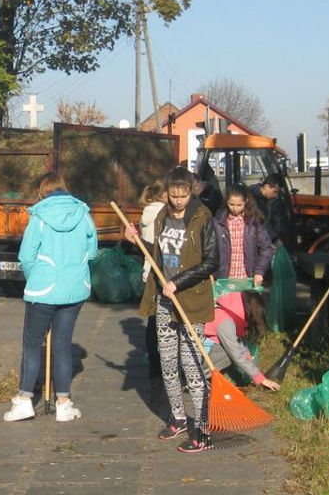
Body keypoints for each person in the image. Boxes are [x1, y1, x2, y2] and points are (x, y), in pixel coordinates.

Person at [126, 166, 219, 453]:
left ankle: (202, 430)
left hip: (191, 301)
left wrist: (178, 282)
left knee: (192, 365)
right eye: (174, 196)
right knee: (167, 364)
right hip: (164, 301)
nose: (178, 201)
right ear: (167, 193)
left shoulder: (203, 218)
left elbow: (211, 262)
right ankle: (178, 417)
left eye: (183, 196)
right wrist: (137, 241)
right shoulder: (162, 216)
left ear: (191, 192)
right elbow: (157, 254)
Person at [3, 172, 97, 424]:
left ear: (41, 192)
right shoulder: (84, 215)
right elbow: (92, 252)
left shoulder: (39, 217)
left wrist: (34, 278)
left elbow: (26, 256)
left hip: (42, 291)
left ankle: (24, 400)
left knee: (32, 343)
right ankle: (64, 403)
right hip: (75, 289)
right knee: (62, 345)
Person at [205, 290, 280, 391]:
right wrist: (260, 379)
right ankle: (202, 376)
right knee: (229, 354)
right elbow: (236, 353)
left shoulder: (229, 313)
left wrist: (251, 365)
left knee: (235, 352)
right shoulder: (225, 322)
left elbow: (239, 343)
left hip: (207, 351)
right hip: (199, 357)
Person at [212, 184, 275, 287]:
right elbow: (210, 251)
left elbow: (267, 247)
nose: (235, 208)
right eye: (231, 204)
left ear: (246, 201)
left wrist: (259, 271)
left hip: (248, 278)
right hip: (223, 280)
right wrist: (212, 274)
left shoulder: (254, 222)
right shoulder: (217, 223)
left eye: (239, 205)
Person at [138, 179, 168, 375]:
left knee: (153, 318)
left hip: (148, 269)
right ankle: (159, 363)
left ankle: (153, 361)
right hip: (160, 269)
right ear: (164, 195)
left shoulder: (147, 212)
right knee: (161, 319)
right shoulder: (163, 213)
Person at [253, 174, 292, 246]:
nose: (276, 195)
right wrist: (274, 239)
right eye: (275, 191)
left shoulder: (268, 199)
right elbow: (260, 222)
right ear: (266, 187)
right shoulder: (252, 199)